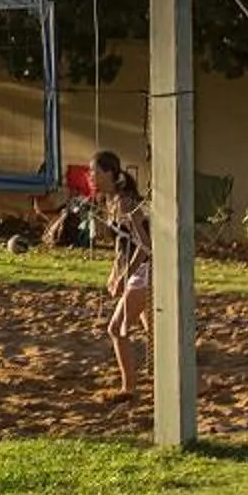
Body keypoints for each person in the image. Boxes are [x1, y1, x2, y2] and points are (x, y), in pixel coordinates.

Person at [96, 151, 152, 398]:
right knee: (156, 335)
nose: (91, 176)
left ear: (109, 173)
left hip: (145, 270)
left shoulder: (125, 203)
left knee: (117, 329)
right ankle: (198, 383)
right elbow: (122, 245)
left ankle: (128, 388)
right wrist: (114, 272)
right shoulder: (110, 202)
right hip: (136, 270)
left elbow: (144, 245)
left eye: (94, 171)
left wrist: (124, 275)